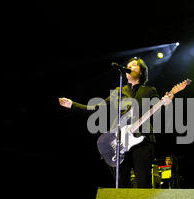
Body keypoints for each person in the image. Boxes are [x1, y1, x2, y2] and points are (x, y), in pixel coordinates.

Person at [59, 57, 173, 188]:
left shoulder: (149, 90)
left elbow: (158, 113)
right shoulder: (118, 91)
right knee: (121, 186)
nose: (130, 67)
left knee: (143, 185)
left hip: (143, 141)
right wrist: (73, 105)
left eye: (134, 65)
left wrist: (167, 103)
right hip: (120, 142)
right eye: (129, 65)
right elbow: (96, 108)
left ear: (141, 71)